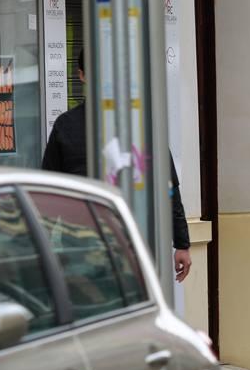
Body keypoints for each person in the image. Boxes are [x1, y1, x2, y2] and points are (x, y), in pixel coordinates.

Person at [41, 56, 192, 283]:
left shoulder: (141, 125)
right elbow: (49, 192)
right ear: (81, 75)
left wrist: (182, 243)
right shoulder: (66, 127)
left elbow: (167, 187)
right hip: (83, 248)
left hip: (129, 245)